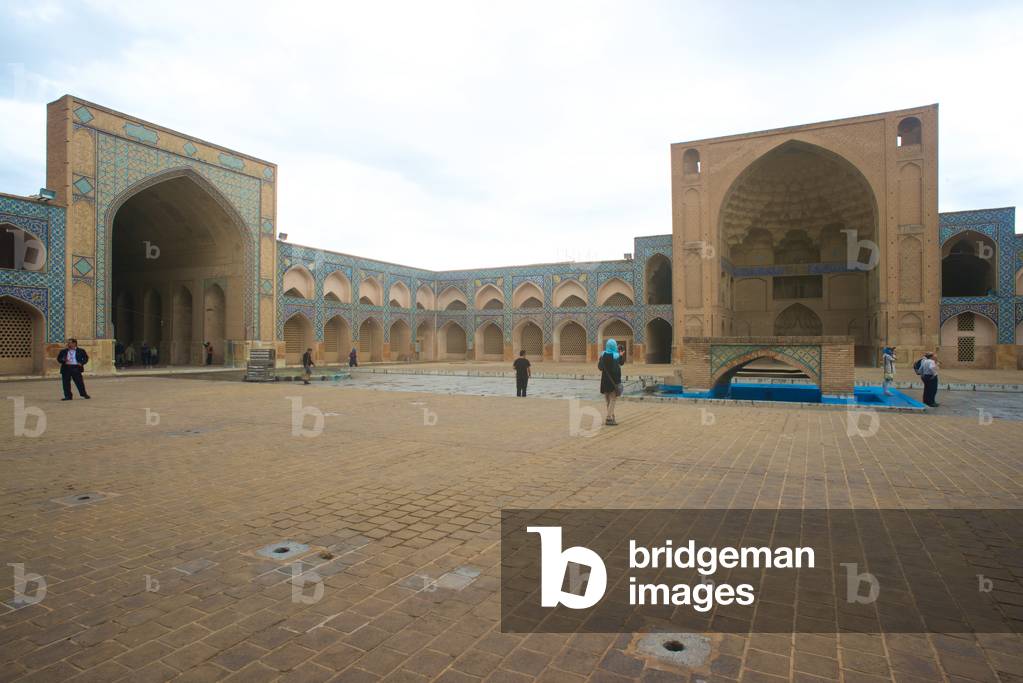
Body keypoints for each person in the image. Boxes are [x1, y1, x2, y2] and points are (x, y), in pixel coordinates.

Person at [597, 339, 625, 426]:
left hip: (604, 381)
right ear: (614, 346)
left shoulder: (603, 355)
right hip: (613, 381)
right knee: (613, 399)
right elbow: (621, 364)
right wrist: (621, 355)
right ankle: (609, 418)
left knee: (608, 400)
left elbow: (600, 367)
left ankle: (611, 417)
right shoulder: (616, 356)